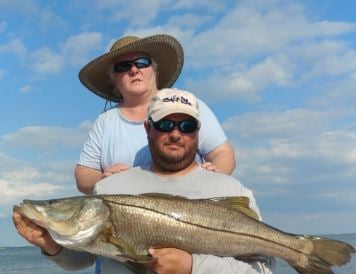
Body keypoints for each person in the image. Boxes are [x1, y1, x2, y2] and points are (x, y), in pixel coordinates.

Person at [13, 88, 274, 274]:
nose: (175, 133)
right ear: (148, 128)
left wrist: (192, 268)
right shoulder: (109, 187)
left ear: (198, 132)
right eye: (164, 124)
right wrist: (48, 244)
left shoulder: (230, 189)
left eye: (186, 126)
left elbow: (262, 267)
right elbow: (80, 260)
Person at [76, 33, 236, 195]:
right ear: (114, 79)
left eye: (142, 63)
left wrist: (212, 179)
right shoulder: (105, 121)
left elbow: (223, 154)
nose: (134, 70)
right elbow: (83, 174)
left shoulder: (186, 104)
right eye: (123, 66)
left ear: (155, 70)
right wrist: (103, 180)